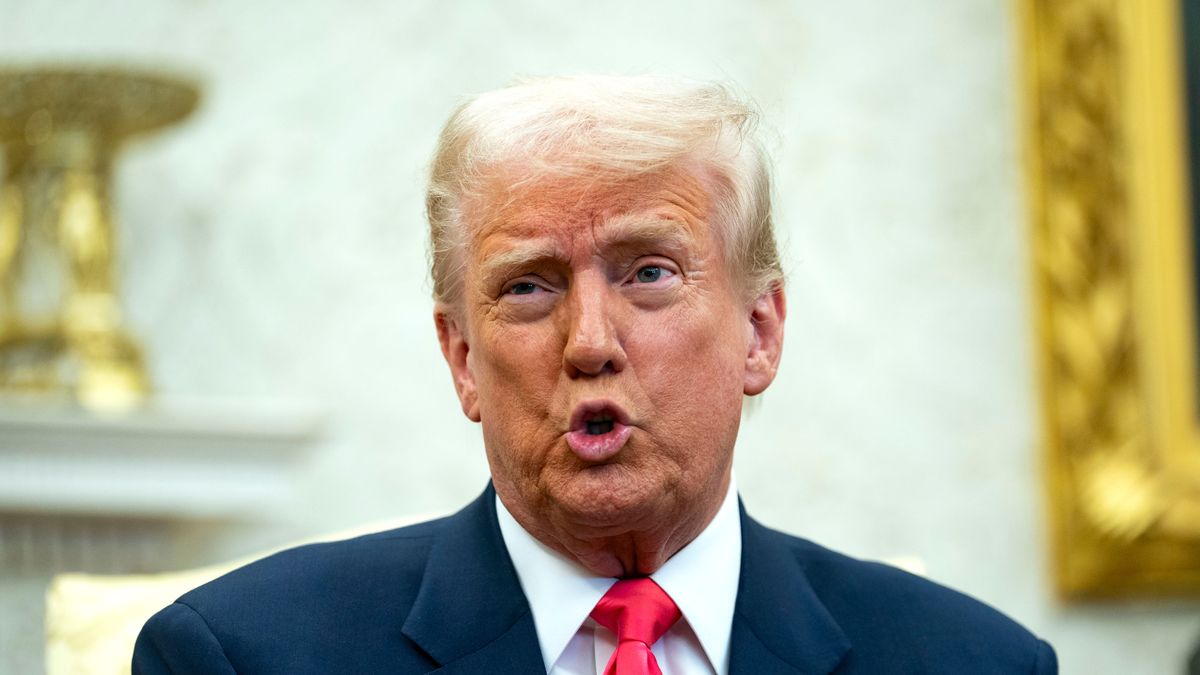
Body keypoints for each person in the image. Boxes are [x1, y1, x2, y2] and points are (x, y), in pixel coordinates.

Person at [133, 75, 1057, 674]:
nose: (588, 341)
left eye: (649, 271)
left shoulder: (973, 660)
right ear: (461, 356)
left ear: (760, 331)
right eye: (528, 287)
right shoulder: (241, 655)